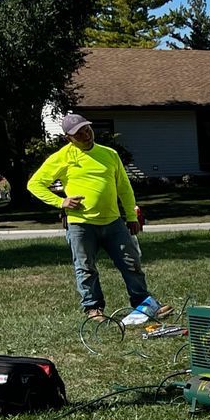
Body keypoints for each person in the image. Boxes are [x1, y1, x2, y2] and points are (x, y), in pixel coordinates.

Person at [28, 113, 168, 324]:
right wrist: (61, 202)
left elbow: (124, 187)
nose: (86, 135)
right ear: (68, 138)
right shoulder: (61, 158)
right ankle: (93, 308)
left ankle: (143, 304)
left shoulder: (109, 154)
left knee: (131, 263)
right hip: (80, 224)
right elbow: (34, 184)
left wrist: (131, 216)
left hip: (113, 222)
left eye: (87, 129)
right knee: (85, 268)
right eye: (78, 133)